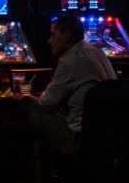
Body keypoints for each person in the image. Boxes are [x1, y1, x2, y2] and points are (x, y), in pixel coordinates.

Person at [21, 14, 118, 158]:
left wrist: (29, 97)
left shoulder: (70, 60)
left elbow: (47, 102)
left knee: (27, 104)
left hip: (77, 137)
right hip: (108, 135)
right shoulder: (98, 53)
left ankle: (36, 166)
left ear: (66, 36)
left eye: (53, 35)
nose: (49, 41)